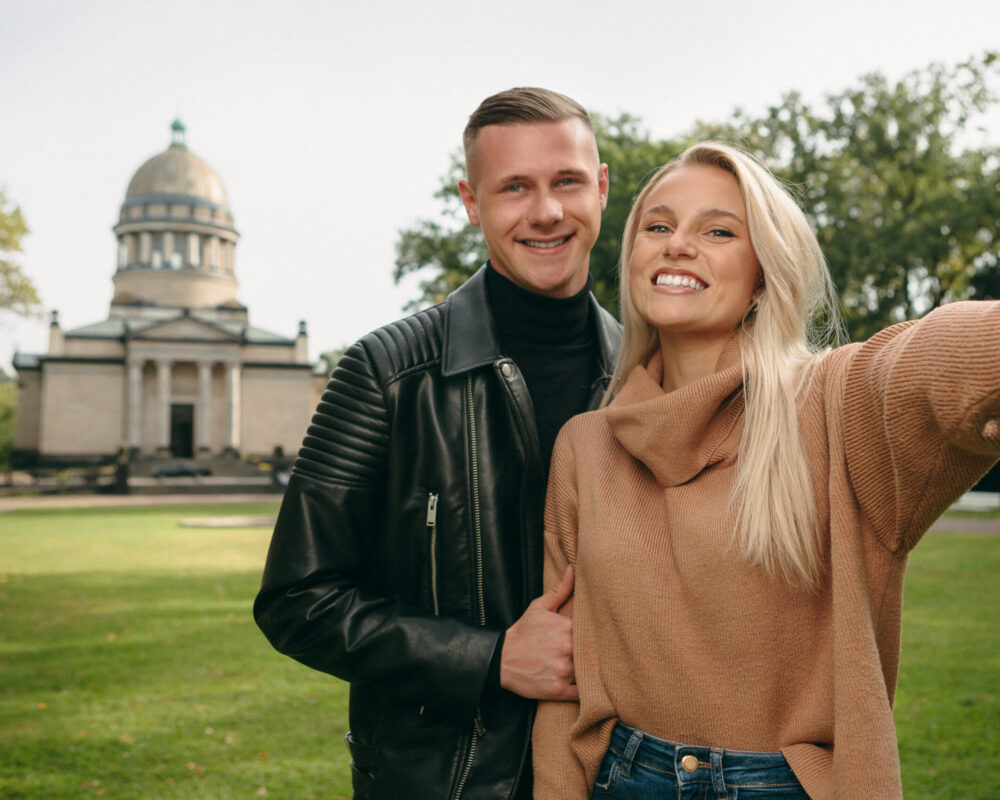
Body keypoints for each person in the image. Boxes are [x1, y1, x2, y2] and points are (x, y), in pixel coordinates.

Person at [532, 141, 1000, 800]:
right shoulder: (585, 447)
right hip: (623, 778)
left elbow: (942, 359)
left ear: (762, 272)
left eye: (718, 230)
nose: (677, 245)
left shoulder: (838, 403)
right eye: (657, 226)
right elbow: (566, 679)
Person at [253, 87, 621, 800]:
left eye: (566, 181)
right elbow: (298, 599)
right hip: (446, 782)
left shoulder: (651, 372)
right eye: (514, 187)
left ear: (602, 188)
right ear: (470, 201)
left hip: (618, 775)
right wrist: (489, 659)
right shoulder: (386, 372)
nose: (546, 211)